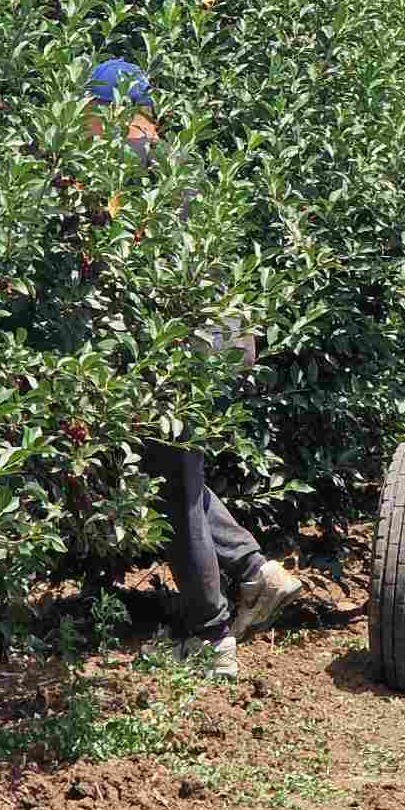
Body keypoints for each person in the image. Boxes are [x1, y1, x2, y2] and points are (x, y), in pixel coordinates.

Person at [87, 60, 300, 678]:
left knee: (174, 488)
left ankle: (210, 638)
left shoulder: (128, 165)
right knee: (175, 473)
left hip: (180, 354)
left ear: (102, 111)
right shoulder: (179, 162)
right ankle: (256, 572)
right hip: (214, 345)